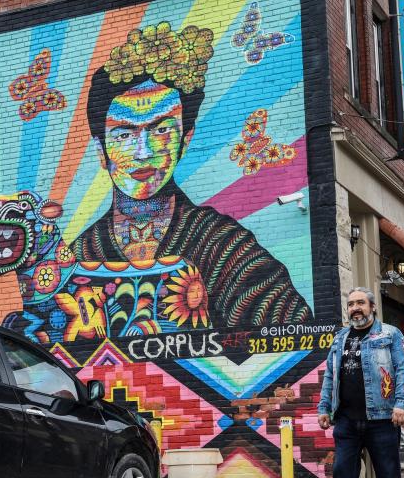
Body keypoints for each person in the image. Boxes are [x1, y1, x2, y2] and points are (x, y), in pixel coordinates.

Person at [70, 22, 312, 328]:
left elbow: (287, 328)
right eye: (123, 135)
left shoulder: (223, 246)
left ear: (185, 139)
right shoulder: (79, 255)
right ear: (100, 152)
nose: (143, 152)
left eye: (160, 130)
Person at [317, 288, 404, 478]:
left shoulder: (390, 335)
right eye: (351, 304)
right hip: (347, 420)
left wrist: (402, 403)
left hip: (382, 418)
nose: (355, 308)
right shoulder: (340, 339)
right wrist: (324, 407)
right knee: (342, 475)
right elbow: (330, 377)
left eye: (360, 303)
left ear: (372, 307)